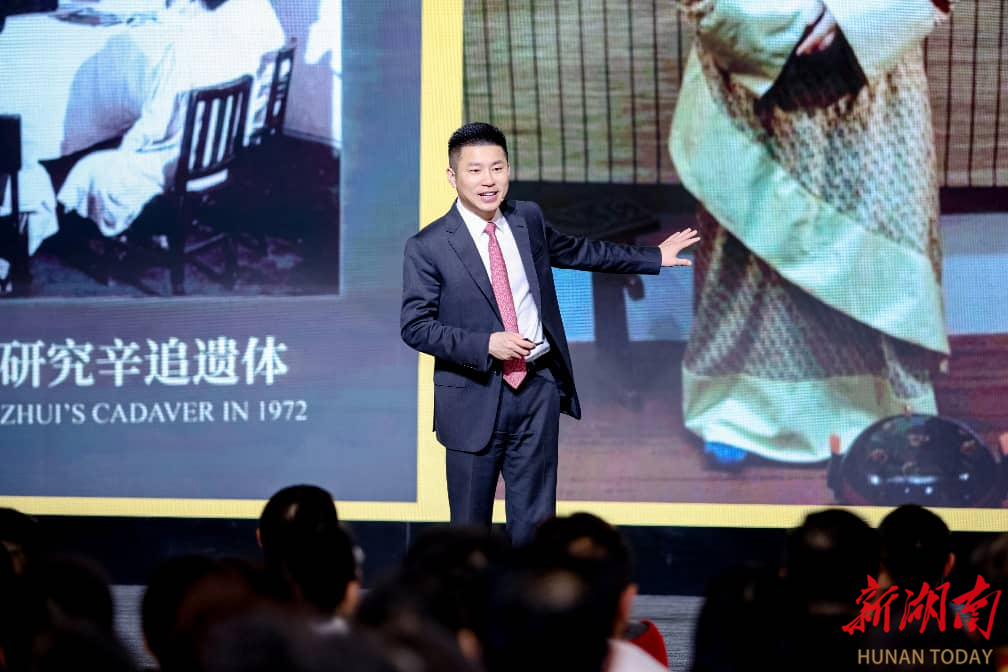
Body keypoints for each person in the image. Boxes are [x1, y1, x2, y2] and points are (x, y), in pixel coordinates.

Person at [669, 1, 951, 468]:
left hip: (873, 76)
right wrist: (785, 16)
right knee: (749, 244)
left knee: (877, 228)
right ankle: (739, 408)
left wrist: (851, 13)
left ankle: (886, 402)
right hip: (753, 68)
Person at [401, 122, 699, 544]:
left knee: (536, 527)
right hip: (473, 398)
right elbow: (416, 326)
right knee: (469, 533)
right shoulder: (428, 245)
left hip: (536, 388)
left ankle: (535, 589)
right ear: (453, 176)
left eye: (497, 168)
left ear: (508, 169)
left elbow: (580, 250)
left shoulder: (527, 218)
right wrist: (486, 344)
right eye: (475, 170)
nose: (488, 180)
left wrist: (653, 257)